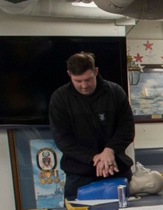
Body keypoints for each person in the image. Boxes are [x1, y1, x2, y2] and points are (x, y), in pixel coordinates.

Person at [48, 52, 135, 199]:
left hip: (116, 170)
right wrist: (95, 157)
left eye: (88, 80)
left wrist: (110, 150)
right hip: (79, 176)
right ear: (69, 74)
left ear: (96, 71)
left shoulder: (115, 92)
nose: (84, 86)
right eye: (78, 81)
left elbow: (126, 129)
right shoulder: (60, 98)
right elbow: (63, 140)